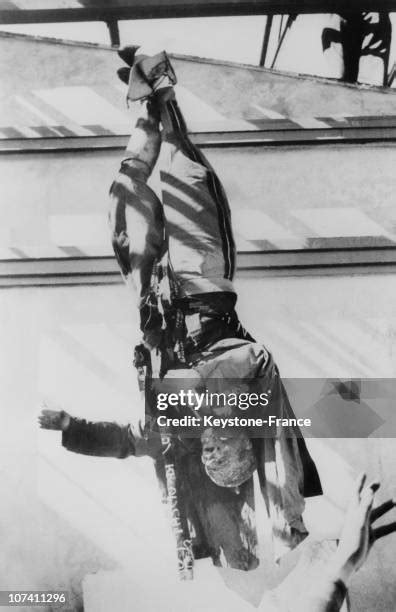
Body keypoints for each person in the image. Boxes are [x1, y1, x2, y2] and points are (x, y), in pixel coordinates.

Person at [39, 47, 322, 580]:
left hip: (155, 296)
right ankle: (159, 90)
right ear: (237, 440)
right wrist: (288, 520)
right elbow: (260, 372)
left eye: (211, 453)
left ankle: (145, 108)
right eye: (226, 447)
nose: (213, 446)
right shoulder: (251, 383)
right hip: (206, 285)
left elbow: (126, 439)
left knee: (124, 196)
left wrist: (68, 426)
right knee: (187, 173)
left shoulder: (173, 428)